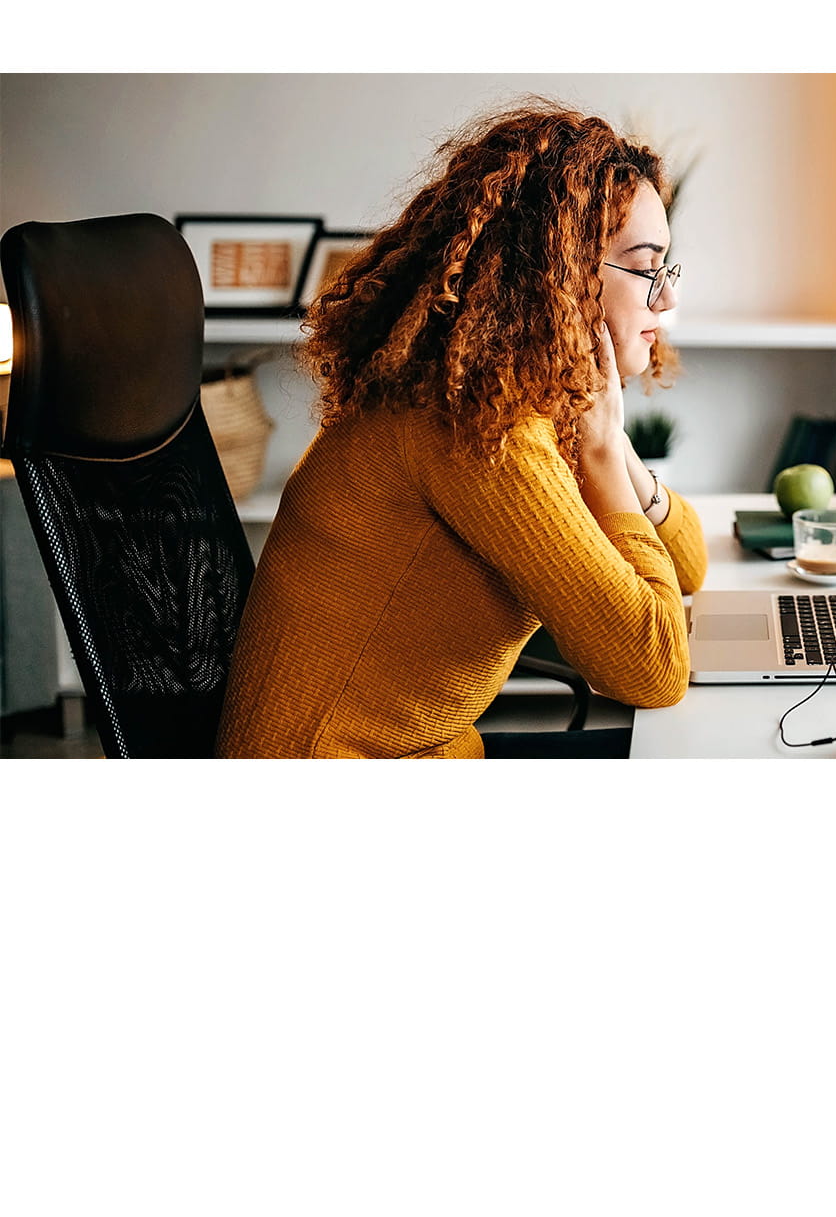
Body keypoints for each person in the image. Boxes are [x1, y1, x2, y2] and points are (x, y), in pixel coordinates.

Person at [215, 99, 706, 757]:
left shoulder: (521, 398)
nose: (666, 298)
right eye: (646, 268)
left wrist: (609, 439)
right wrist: (597, 448)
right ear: (559, 273)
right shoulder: (473, 427)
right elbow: (655, 669)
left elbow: (690, 566)